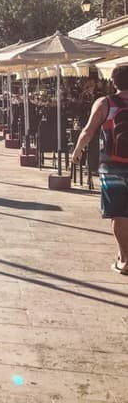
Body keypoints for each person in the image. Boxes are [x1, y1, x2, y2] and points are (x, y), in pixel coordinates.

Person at [71, 65, 128, 275]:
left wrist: (77, 150)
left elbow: (88, 130)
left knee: (118, 215)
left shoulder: (105, 103)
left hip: (111, 166)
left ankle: (124, 260)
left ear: (114, 82)